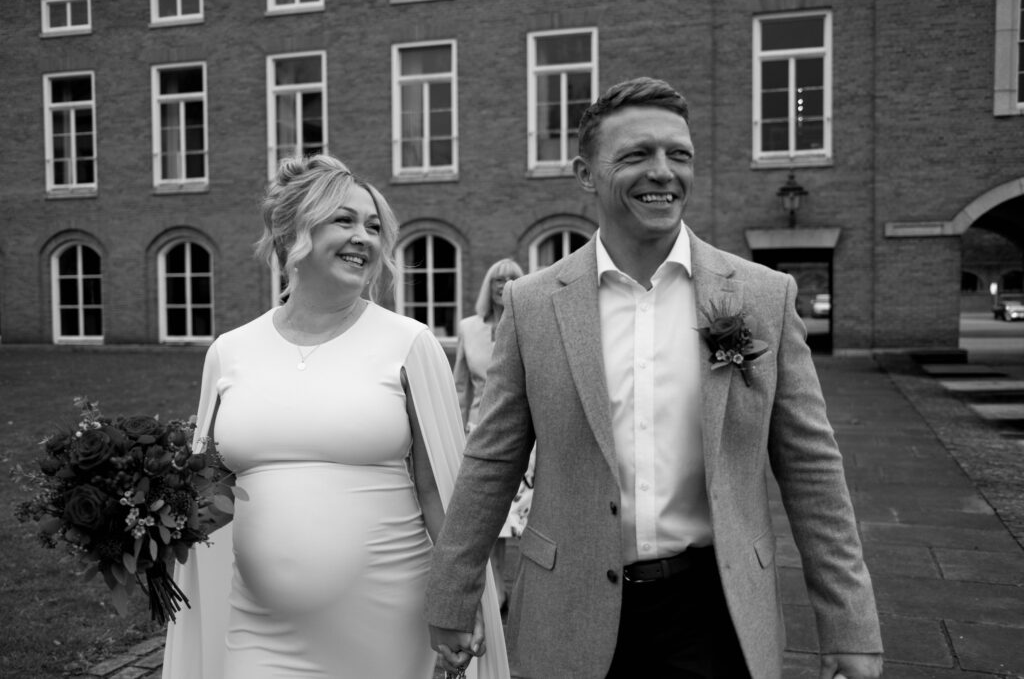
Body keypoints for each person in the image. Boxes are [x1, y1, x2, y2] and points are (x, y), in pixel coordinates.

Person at [425, 78, 884, 679]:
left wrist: (850, 626)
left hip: (714, 612)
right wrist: (453, 595)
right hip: (567, 609)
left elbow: (813, 469)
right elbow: (491, 459)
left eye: (679, 155)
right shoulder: (534, 305)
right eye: (637, 155)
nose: (663, 172)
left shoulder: (762, 296)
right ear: (586, 173)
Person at [161, 153, 509, 679]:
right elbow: (212, 496)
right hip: (259, 627)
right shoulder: (230, 352)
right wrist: (137, 519)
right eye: (343, 221)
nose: (364, 238)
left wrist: (459, 598)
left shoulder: (409, 344)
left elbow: (440, 490)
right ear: (290, 234)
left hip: (389, 625)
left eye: (373, 227)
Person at [453, 258, 533, 611]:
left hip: (525, 437)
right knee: (488, 518)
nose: (503, 286)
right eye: (497, 280)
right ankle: (498, 591)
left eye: (512, 279)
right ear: (489, 286)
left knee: (523, 521)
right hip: (479, 432)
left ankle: (524, 590)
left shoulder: (532, 322)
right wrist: (455, 430)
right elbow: (460, 387)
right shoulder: (469, 328)